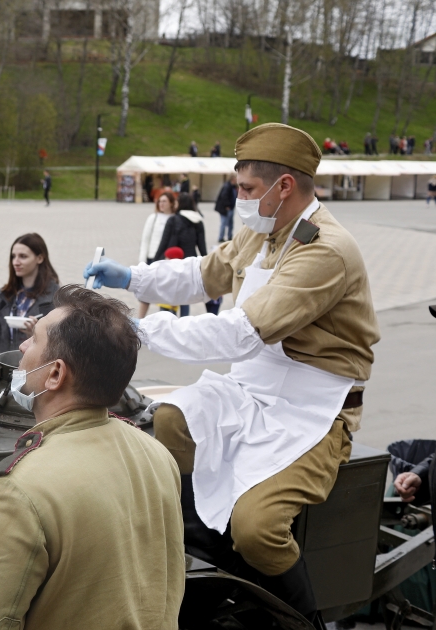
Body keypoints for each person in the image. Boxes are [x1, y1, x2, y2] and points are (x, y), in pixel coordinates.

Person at [84, 123, 379, 627]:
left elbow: (241, 334)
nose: (239, 198)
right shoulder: (265, 228)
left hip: (314, 408)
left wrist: (139, 330)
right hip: (254, 386)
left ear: (283, 187)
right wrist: (133, 275)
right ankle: (211, 554)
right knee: (170, 421)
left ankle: (301, 617)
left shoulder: (324, 249)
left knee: (259, 528)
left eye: (246, 189)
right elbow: (207, 272)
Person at [0, 285, 185, 630]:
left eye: (34, 340)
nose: (23, 346)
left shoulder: (18, 492)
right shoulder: (156, 454)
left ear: (56, 374)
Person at [0, 233, 59, 355]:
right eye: (13, 256)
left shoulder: (55, 298)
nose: (16, 262)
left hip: (33, 371)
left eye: (23, 256)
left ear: (40, 258)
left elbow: (60, 347)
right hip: (3, 369)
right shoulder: (3, 295)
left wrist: (36, 336)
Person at [154, 193, 207, 317]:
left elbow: (163, 243)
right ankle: (184, 323)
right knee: (185, 298)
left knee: (167, 297)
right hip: (190, 265)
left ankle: (166, 323)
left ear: (180, 204)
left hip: (172, 263)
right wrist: (206, 266)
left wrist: (155, 261)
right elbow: (202, 247)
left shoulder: (173, 220)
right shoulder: (198, 221)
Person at [136, 191, 176, 319]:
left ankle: (164, 319)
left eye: (164, 201)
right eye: (160, 201)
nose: (161, 204)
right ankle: (140, 320)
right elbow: (145, 240)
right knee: (146, 292)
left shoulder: (175, 218)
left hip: (167, 260)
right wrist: (142, 261)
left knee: (165, 292)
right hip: (152, 257)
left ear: (171, 203)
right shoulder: (153, 218)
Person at [215, 174, 237, 243]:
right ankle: (221, 237)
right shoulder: (227, 186)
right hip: (226, 208)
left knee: (230, 223)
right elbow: (224, 196)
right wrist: (227, 206)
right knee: (224, 223)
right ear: (233, 179)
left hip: (230, 207)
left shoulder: (232, 186)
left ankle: (229, 236)